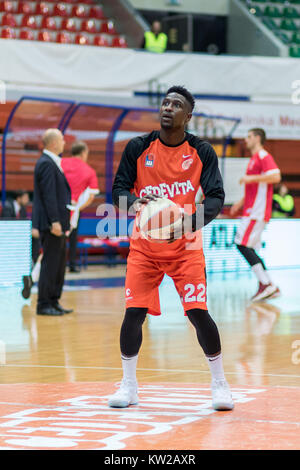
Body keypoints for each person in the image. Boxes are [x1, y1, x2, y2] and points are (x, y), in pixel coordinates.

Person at [109, 85, 234, 411]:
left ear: (187, 116)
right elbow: (118, 192)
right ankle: (129, 384)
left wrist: (189, 222)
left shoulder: (201, 151)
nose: (168, 107)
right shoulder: (138, 147)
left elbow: (217, 197)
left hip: (185, 245)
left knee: (197, 312)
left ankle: (219, 382)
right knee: (133, 314)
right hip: (145, 246)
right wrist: (135, 202)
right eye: (165, 102)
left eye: (176, 104)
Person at [230, 128, 281, 302]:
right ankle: (268, 285)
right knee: (249, 247)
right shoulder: (254, 159)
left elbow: (276, 176)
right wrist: (241, 202)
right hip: (251, 209)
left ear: (258, 138)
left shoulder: (263, 156)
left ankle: (267, 284)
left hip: (257, 211)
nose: (246, 139)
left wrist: (249, 179)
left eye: (249, 136)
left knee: (242, 244)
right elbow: (255, 187)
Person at [32, 128, 73, 316]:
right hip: (51, 224)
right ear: (54, 143)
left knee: (58, 264)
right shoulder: (47, 163)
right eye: (62, 140)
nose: (64, 143)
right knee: (50, 263)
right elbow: (49, 196)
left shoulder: (50, 162)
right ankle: (44, 303)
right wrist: (55, 221)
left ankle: (54, 300)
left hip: (57, 222)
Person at [61, 141, 99, 272]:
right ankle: (71, 264)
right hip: (74, 208)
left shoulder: (60, 163)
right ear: (83, 153)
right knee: (72, 237)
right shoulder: (89, 171)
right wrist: (77, 208)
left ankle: (56, 265)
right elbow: (91, 196)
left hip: (57, 206)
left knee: (56, 237)